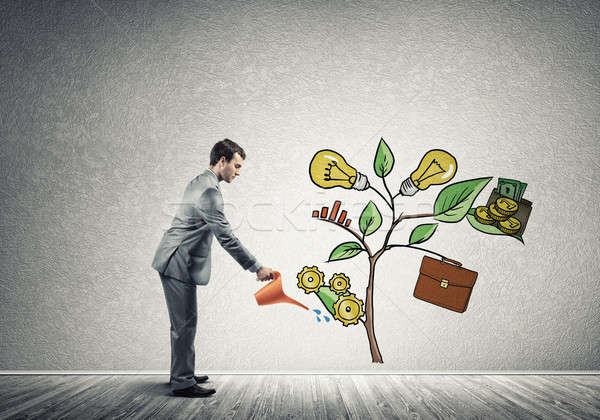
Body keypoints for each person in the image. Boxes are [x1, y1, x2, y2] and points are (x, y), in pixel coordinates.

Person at [152, 139, 273, 398]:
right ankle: (183, 382)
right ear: (222, 161)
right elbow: (226, 237)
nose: (238, 172)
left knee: (184, 322)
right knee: (185, 324)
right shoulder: (210, 192)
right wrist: (257, 267)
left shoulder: (200, 181)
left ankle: (182, 372)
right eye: (236, 166)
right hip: (177, 260)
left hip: (175, 257)